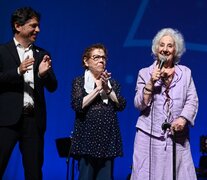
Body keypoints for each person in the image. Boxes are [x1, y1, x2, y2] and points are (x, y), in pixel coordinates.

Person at [130, 28, 198, 180]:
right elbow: (139, 104)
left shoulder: (185, 73)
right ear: (156, 48)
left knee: (179, 174)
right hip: (148, 137)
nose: (165, 49)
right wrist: (151, 82)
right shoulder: (145, 73)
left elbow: (192, 100)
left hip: (177, 137)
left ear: (176, 50)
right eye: (162, 45)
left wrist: (183, 119)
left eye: (169, 46)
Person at [0, 7, 57, 179]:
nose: (37, 30)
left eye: (38, 26)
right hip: (6, 120)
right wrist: (18, 71)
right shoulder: (2, 51)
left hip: (33, 120)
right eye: (33, 26)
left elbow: (53, 86)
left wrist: (42, 75)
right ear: (18, 26)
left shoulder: (42, 54)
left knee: (34, 171)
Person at [70, 43, 126, 180]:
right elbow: (78, 105)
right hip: (86, 140)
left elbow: (121, 105)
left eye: (103, 58)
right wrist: (97, 89)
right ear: (86, 61)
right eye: (96, 57)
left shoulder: (113, 83)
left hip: (108, 140)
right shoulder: (79, 82)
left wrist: (107, 88)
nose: (101, 60)